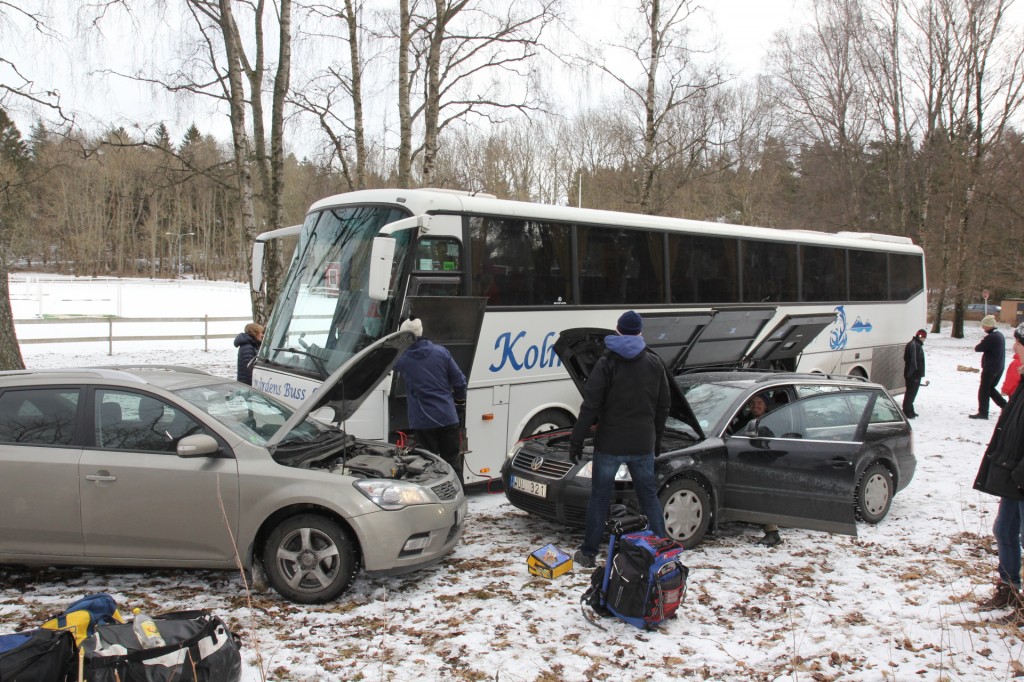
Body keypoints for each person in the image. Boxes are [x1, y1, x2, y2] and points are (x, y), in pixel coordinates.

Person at [570, 310, 671, 568]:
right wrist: (656, 438)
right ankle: (661, 548)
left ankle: (589, 553)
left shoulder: (606, 364)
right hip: (642, 443)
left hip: (610, 443)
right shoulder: (654, 362)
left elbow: (590, 406)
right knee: (648, 496)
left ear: (617, 330)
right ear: (639, 332)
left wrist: (577, 440)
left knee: (600, 497)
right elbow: (663, 405)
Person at [972, 322, 1024, 616]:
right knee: (1004, 530)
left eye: (1019, 344)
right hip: (1012, 478)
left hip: (1020, 477)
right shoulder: (1022, 383)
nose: (1015, 349)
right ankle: (1008, 589)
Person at [394, 316, 468, 486]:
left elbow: (385, 363)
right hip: (449, 418)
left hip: (423, 421)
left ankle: (436, 502)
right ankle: (460, 498)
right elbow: (460, 381)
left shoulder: (404, 360)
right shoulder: (441, 352)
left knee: (428, 466)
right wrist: (459, 402)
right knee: (453, 463)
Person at [743, 394, 783, 547]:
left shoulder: (770, 423)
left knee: (761, 494)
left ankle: (772, 532)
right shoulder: (745, 420)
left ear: (766, 405)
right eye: (752, 403)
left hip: (766, 465)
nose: (755, 406)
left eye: (759, 403)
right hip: (747, 462)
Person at [971, 316, 1007, 420]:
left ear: (988, 325)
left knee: (984, 391)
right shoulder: (999, 335)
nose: (982, 327)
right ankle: (1005, 406)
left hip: (991, 368)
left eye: (983, 325)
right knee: (990, 389)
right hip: (999, 367)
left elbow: (978, 348)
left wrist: (984, 341)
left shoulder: (992, 337)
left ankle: (983, 413)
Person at [902, 329, 927, 419]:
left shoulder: (913, 344)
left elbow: (906, 358)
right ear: (923, 337)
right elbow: (915, 361)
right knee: (911, 393)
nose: (924, 339)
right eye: (924, 337)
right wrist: (918, 372)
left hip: (910, 372)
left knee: (910, 393)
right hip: (913, 374)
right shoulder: (915, 345)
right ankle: (907, 411)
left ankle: (910, 410)